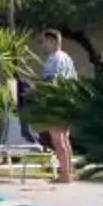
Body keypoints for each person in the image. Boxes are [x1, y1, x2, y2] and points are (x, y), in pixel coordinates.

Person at [33, 29, 80, 185]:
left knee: (57, 138)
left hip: (56, 100)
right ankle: (68, 173)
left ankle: (65, 175)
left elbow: (52, 79)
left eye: (45, 42)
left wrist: (36, 86)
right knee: (64, 138)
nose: (43, 45)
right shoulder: (67, 58)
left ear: (53, 41)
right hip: (68, 100)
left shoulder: (55, 58)